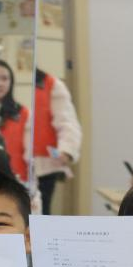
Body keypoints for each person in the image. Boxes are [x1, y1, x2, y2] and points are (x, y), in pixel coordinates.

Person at [33, 68, 82, 214]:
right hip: (12, 165)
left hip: (44, 166)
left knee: (40, 213)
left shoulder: (51, 84)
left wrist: (67, 149)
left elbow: (67, 122)